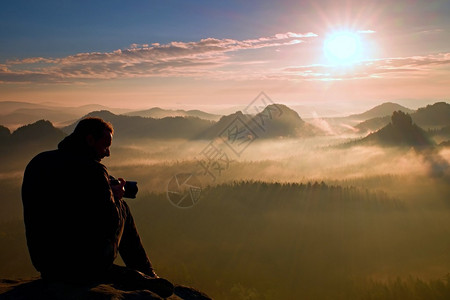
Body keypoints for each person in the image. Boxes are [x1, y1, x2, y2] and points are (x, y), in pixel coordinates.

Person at [21, 117, 173, 298]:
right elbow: (110, 223)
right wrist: (115, 198)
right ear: (90, 140)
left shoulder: (38, 162)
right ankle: (146, 274)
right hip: (84, 266)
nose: (108, 153)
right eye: (105, 146)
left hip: (47, 263)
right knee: (123, 209)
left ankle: (134, 276)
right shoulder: (93, 171)